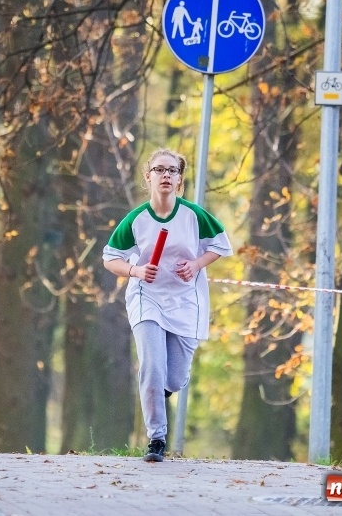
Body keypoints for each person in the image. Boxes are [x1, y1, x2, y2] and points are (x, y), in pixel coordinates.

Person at [102, 148, 232, 462]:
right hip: (147, 297)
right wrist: (136, 270)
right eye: (160, 170)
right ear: (148, 177)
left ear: (179, 180)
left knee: (173, 378)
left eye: (172, 171)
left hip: (186, 300)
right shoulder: (136, 219)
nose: (166, 176)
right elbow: (110, 259)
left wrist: (197, 263)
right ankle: (156, 439)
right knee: (152, 367)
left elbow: (221, 245)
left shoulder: (193, 215)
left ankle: (159, 392)